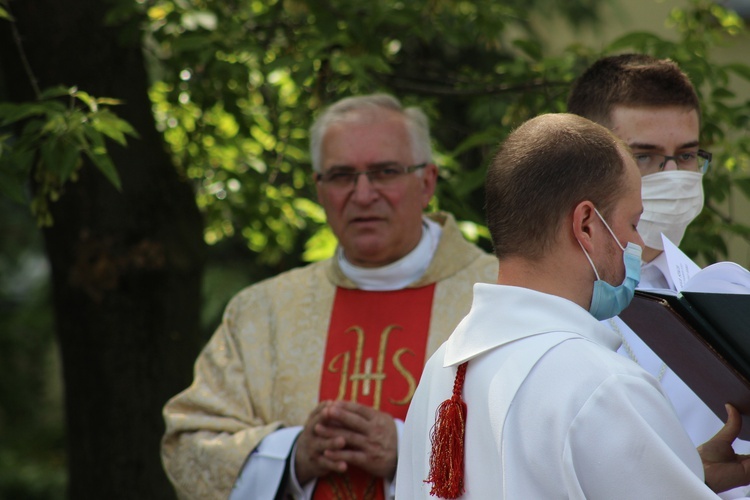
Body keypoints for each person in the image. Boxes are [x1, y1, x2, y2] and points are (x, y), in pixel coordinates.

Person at [160, 93, 498, 499]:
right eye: (341, 176)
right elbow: (189, 443)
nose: (363, 193)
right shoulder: (262, 312)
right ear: (319, 191)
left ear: (426, 182)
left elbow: (540, 438)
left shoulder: (497, 297)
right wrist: (289, 457)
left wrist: (412, 449)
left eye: (385, 171)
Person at [396, 112, 750, 499]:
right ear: (586, 224)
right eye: (634, 224)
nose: (636, 243)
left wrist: (685, 473)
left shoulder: (440, 370)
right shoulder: (604, 384)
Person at [568, 53, 750, 498]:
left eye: (686, 156)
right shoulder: (548, 302)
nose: (672, 177)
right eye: (644, 157)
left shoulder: (730, 294)